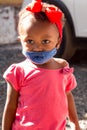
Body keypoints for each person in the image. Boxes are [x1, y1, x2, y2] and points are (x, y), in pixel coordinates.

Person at [2, 0, 80, 130]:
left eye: (45, 41)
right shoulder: (18, 71)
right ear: (20, 41)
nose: (37, 48)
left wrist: (75, 124)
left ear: (58, 41)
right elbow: (10, 106)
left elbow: (68, 97)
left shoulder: (62, 68)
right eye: (30, 41)